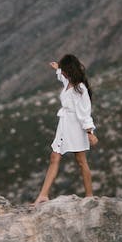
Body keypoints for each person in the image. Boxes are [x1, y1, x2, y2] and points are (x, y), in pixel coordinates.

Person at [32, 54, 97, 204]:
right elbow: (62, 78)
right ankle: (43, 195)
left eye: (64, 69)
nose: (63, 72)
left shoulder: (80, 88)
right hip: (64, 125)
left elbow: (85, 111)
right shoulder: (68, 82)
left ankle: (89, 196)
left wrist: (89, 132)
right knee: (54, 157)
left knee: (81, 161)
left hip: (76, 127)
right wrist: (57, 69)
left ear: (70, 70)